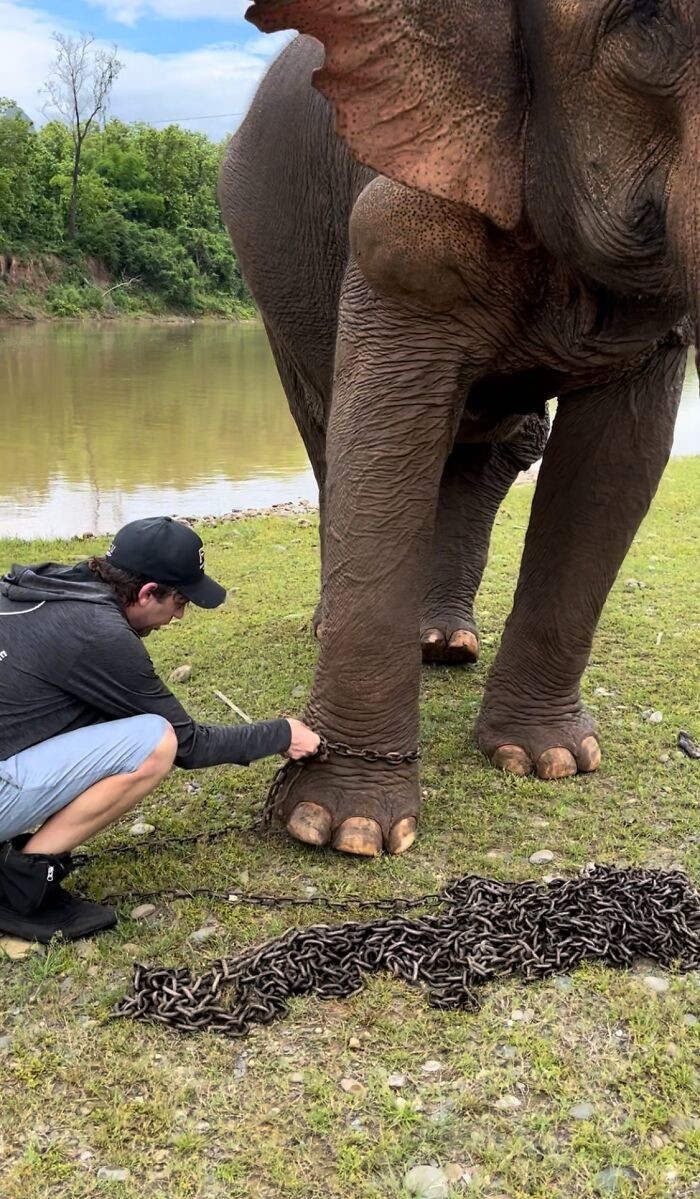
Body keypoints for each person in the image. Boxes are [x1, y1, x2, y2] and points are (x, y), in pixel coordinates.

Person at [0, 515, 320, 944]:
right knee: (154, 740)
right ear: (149, 592)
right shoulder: (98, 634)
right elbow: (188, 744)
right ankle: (18, 888)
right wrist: (282, 733)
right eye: (180, 603)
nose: (179, 617)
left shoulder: (41, 587)